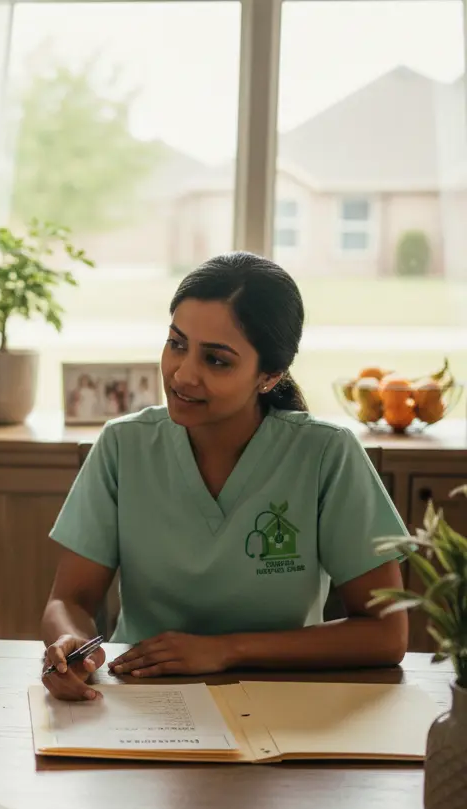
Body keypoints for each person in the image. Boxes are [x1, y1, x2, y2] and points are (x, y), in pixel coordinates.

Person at [41, 252, 409, 700]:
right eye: (177, 344)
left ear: (269, 376)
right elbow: (70, 601)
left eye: (216, 361)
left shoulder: (327, 454)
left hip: (285, 703)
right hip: (141, 698)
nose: (183, 374)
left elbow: (386, 633)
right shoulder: (123, 444)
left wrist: (226, 650)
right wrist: (70, 644)